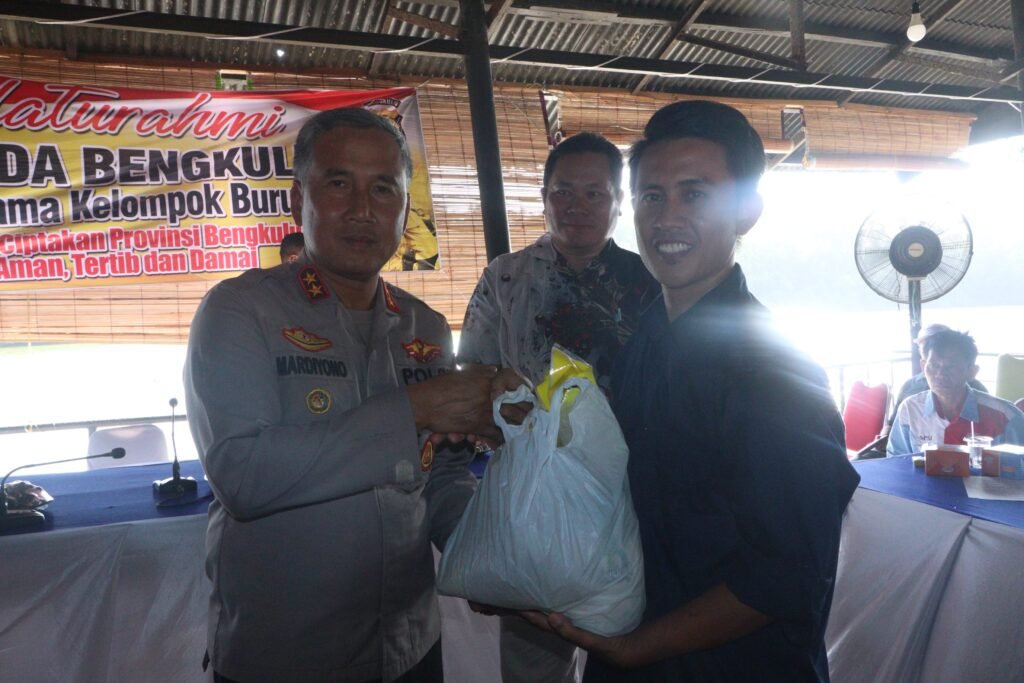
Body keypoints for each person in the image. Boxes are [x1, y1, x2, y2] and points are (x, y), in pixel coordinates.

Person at [519, 100, 861, 682]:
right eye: (652, 196)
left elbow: (788, 570)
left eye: (695, 194)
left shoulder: (775, 370)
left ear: (747, 211)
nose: (667, 219)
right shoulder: (647, 337)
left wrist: (636, 648)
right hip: (629, 645)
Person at [185, 107, 503, 683]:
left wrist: (482, 555)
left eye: (383, 188)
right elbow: (242, 475)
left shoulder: (425, 326)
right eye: (338, 184)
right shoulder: (240, 310)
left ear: (404, 209)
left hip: (410, 647)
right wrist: (415, 409)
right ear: (296, 199)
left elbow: (442, 477)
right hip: (285, 657)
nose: (362, 210)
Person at [458, 132, 658, 683]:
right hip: (533, 492)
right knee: (534, 652)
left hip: (630, 488)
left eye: (595, 193)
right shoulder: (505, 276)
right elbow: (471, 373)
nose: (577, 206)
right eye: (563, 192)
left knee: (631, 637)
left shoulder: (648, 282)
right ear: (543, 198)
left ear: (618, 202)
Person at [887, 329, 1024, 456]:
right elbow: (896, 461)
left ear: (972, 371)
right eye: (934, 365)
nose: (940, 374)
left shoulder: (1006, 416)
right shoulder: (910, 410)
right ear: (923, 366)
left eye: (950, 367)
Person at [887, 323, 988, 425]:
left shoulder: (977, 389)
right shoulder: (909, 388)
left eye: (935, 343)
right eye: (922, 344)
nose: (940, 374)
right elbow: (892, 423)